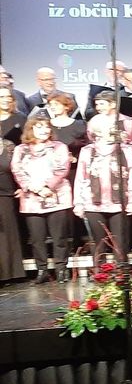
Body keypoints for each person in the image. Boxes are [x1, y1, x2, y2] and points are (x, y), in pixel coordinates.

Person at [73, 114, 132, 266]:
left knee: (120, 242)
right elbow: (80, 178)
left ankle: (121, 272)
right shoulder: (87, 151)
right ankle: (101, 273)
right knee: (98, 243)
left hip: (119, 203)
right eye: (108, 126)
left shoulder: (124, 149)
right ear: (97, 131)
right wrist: (78, 203)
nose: (113, 128)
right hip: (93, 203)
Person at [12, 117, 73, 283]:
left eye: (47, 127)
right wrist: (36, 188)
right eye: (39, 127)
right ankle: (42, 270)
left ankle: (61, 269)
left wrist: (47, 187)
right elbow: (17, 171)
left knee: (59, 237)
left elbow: (62, 169)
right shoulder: (21, 149)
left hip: (57, 197)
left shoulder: (59, 147)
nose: (44, 130)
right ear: (30, 129)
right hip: (31, 199)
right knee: (37, 238)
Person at [0, 136, 24, 284]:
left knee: (7, 235)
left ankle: (10, 273)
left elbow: (20, 168)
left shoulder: (9, 146)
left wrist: (21, 187)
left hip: (7, 195)